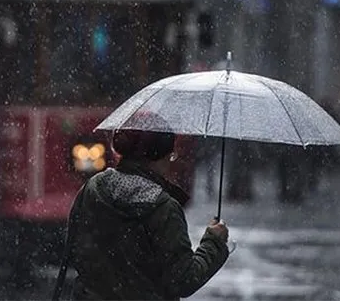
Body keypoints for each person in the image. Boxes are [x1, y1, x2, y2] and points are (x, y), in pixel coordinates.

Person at [55, 126, 230, 300]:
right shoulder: (163, 208)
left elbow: (74, 248)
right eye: (170, 156)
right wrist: (214, 242)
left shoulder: (93, 188)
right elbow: (183, 280)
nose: (171, 161)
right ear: (159, 158)